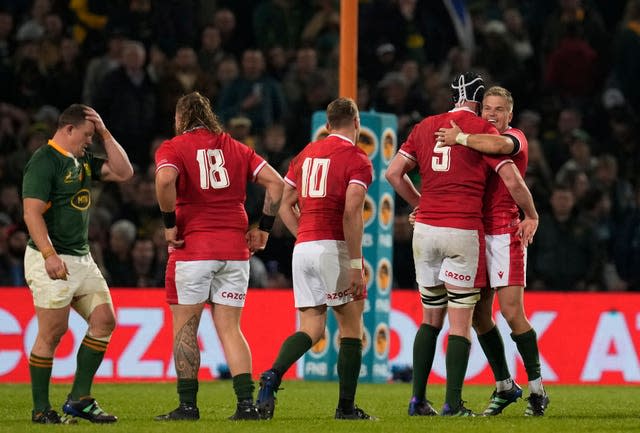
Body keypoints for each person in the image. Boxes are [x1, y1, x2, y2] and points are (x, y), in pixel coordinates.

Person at [385, 73, 538, 417]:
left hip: (424, 231)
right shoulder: (484, 132)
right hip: (463, 229)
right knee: (461, 320)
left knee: (429, 318)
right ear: (480, 102)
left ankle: (417, 400)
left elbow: (393, 173)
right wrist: (532, 214)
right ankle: (452, 403)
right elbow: (511, 178)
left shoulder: (425, 126)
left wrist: (420, 204)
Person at [153, 91, 284, 421]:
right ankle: (245, 405)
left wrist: (170, 224)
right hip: (235, 251)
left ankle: (187, 406)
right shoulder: (235, 147)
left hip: (193, 249)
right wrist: (264, 229)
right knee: (230, 328)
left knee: (185, 327)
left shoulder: (173, 148)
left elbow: (166, 178)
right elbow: (277, 183)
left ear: (181, 119)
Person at [256, 97, 375, 421]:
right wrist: (354, 265)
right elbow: (352, 212)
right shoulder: (357, 158)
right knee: (351, 328)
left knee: (312, 327)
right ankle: (346, 409)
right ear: (356, 122)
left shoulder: (307, 154)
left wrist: (303, 233)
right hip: (332, 249)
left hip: (304, 249)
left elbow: (283, 200)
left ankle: (272, 375)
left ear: (326, 125)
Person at [435, 85, 549, 416]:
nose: (492, 114)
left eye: (499, 109)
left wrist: (531, 214)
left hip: (504, 232)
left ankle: (538, 390)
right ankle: (504, 386)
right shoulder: (473, 140)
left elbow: (500, 148)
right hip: (472, 232)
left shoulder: (513, 138)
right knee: (480, 316)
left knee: (512, 313)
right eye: (487, 108)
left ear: (510, 114)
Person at [23, 104, 134, 424]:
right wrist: (48, 255)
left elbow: (125, 172)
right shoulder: (44, 160)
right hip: (51, 256)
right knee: (53, 332)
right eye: (87, 135)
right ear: (68, 129)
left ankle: (79, 399)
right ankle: (41, 409)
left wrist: (105, 133)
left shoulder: (83, 159)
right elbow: (31, 212)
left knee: (104, 321)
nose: (90, 141)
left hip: (82, 258)